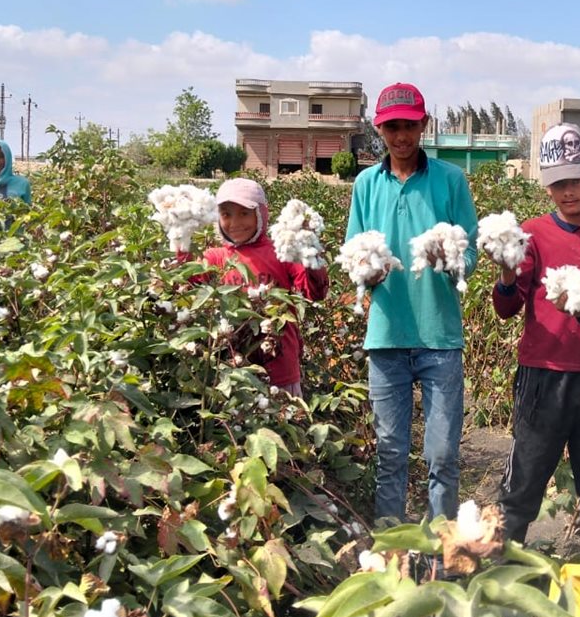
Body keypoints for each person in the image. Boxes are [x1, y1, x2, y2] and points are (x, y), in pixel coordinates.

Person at [491, 123, 580, 564]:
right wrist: (507, 274)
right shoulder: (532, 234)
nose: (568, 192)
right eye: (558, 184)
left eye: (575, 180)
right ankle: (501, 578)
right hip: (542, 380)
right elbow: (506, 309)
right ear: (547, 187)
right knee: (522, 489)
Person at [346, 82, 478, 523]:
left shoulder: (450, 180)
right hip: (385, 338)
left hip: (439, 338)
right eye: (392, 128)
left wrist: (450, 261)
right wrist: (368, 270)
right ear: (379, 130)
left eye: (409, 125)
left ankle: (444, 557)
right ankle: (391, 555)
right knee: (390, 457)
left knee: (442, 457)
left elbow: (472, 253)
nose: (401, 136)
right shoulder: (366, 184)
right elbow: (353, 252)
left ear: (423, 125)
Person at [193, 178, 328, 396]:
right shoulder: (214, 258)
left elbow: (314, 293)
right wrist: (180, 244)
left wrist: (310, 251)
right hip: (231, 367)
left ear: (261, 214)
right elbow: (183, 288)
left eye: (244, 213)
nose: (235, 222)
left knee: (285, 421)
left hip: (279, 366)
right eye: (226, 214)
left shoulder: (281, 251)